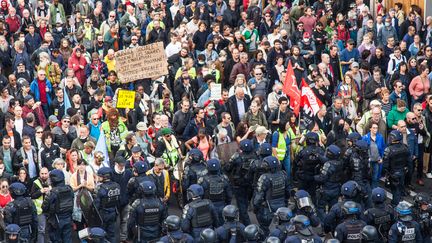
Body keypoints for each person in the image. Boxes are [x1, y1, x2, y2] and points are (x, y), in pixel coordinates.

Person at [252, 156, 290, 235]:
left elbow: (258, 198)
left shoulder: (264, 177)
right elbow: (288, 192)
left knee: (265, 230)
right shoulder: (283, 174)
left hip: (267, 210)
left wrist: (255, 208)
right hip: (282, 207)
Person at [223, 139, 255, 225]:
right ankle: (242, 220)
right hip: (251, 184)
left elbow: (227, 168)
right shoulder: (255, 156)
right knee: (245, 202)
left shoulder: (237, 157)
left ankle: (247, 225)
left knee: (241, 205)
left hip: (239, 184)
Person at [42, 169, 74, 243]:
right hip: (68, 218)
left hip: (56, 221)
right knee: (67, 239)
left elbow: (44, 207)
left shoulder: (53, 192)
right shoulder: (69, 189)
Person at [198, 159, 232, 226]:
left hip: (207, 207)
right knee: (221, 226)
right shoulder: (224, 179)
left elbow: (200, 196)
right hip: (221, 206)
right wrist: (226, 205)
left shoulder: (203, 181)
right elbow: (229, 196)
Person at [314, 145, 343, 221]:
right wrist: (319, 156)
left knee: (320, 208)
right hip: (336, 189)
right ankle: (332, 225)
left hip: (326, 189)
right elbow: (327, 161)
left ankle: (325, 225)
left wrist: (313, 177)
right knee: (333, 209)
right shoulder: (340, 162)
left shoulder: (328, 164)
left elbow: (322, 178)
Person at [382, 130, 410, 206]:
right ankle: (400, 201)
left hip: (393, 173)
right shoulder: (405, 147)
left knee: (395, 190)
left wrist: (386, 173)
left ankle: (395, 205)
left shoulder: (388, 149)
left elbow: (385, 165)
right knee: (400, 187)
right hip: (402, 171)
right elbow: (409, 161)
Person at [294, 132, 325, 200]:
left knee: (301, 195)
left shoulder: (303, 151)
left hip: (303, 177)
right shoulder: (321, 151)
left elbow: (296, 161)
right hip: (314, 177)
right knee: (312, 195)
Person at [94, 167, 121, 243]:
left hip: (103, 215)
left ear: (104, 177)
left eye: (99, 176)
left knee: (101, 234)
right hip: (113, 213)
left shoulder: (101, 189)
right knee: (112, 234)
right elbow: (119, 200)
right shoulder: (117, 186)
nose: (98, 177)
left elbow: (96, 205)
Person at [348, 140, 372, 209]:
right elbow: (357, 177)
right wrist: (363, 191)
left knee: (369, 203)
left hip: (365, 180)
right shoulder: (355, 159)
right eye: (364, 150)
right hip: (358, 184)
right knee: (359, 205)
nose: (366, 152)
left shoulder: (365, 156)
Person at [30, 167, 51, 243]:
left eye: (45, 173)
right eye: (42, 173)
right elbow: (32, 195)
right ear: (39, 174)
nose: (44, 175)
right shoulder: (36, 182)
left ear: (48, 174)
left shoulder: (51, 182)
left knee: (49, 229)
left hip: (50, 210)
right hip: (40, 211)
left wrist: (50, 190)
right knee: (41, 230)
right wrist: (40, 191)